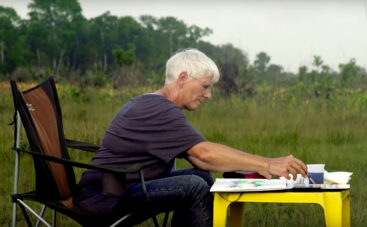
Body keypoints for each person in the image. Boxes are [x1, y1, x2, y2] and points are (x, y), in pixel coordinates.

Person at [74, 48, 307, 227]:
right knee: (194, 185)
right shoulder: (158, 109)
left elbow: (200, 160)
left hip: (124, 187)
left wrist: (257, 166)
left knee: (200, 177)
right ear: (183, 78)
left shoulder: (154, 103)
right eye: (205, 86)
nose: (209, 95)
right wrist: (268, 163)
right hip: (105, 198)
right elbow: (204, 154)